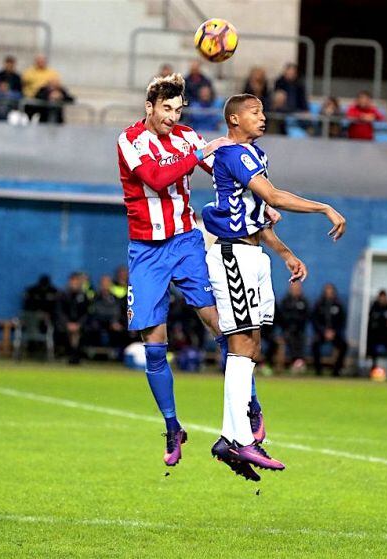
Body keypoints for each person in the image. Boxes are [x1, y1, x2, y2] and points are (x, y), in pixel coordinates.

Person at [203, 93, 345, 478]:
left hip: (254, 256)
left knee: (252, 346)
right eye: (254, 112)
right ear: (234, 119)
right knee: (240, 344)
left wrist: (285, 254)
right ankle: (236, 438)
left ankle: (236, 433)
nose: (263, 117)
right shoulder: (233, 154)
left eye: (263, 111)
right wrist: (324, 208)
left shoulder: (254, 155)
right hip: (233, 255)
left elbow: (259, 213)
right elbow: (274, 197)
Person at [117, 73, 236, 467]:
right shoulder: (130, 140)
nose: (172, 116)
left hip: (185, 240)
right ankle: (172, 426)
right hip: (146, 250)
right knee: (155, 342)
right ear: (149, 107)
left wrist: (259, 199)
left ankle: (248, 409)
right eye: (165, 109)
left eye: (178, 109)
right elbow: (156, 176)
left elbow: (220, 171)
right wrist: (201, 152)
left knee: (217, 321)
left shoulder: (187, 137)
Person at [311, 283, 347, 377]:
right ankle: (318, 370)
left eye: (331, 291)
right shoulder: (319, 304)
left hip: (335, 333)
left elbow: (342, 321)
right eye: (327, 291)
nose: (329, 293)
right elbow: (315, 320)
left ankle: (336, 371)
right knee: (315, 344)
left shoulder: (338, 305)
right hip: (321, 333)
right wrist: (323, 331)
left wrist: (334, 331)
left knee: (344, 346)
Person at [88, 275, 128, 353]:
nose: (105, 286)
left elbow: (117, 311)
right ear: (100, 285)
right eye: (103, 284)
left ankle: (118, 353)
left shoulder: (116, 298)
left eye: (107, 283)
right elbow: (95, 312)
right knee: (92, 327)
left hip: (113, 323)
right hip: (99, 322)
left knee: (120, 329)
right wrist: (111, 321)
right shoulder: (95, 298)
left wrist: (115, 321)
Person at [54, 272, 89, 364]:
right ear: (69, 281)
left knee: (79, 333)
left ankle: (75, 355)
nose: (75, 283)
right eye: (73, 281)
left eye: (77, 281)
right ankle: (70, 354)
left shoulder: (84, 296)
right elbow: (59, 312)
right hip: (64, 324)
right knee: (67, 332)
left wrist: (79, 324)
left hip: (79, 324)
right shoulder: (62, 295)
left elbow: (86, 313)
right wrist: (67, 323)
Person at [277, 281, 309, 364]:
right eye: (294, 288)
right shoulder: (285, 301)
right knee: (290, 337)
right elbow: (281, 317)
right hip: (287, 329)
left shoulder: (304, 301)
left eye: (298, 288)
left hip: (300, 329)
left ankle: (299, 360)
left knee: (300, 338)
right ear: (290, 289)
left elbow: (307, 316)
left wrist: (298, 323)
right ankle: (296, 360)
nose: (296, 289)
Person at [367, 289, 387, 368]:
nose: (383, 299)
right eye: (381, 297)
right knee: (372, 346)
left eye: (384, 297)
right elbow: (371, 323)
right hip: (375, 336)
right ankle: (373, 368)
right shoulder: (373, 308)